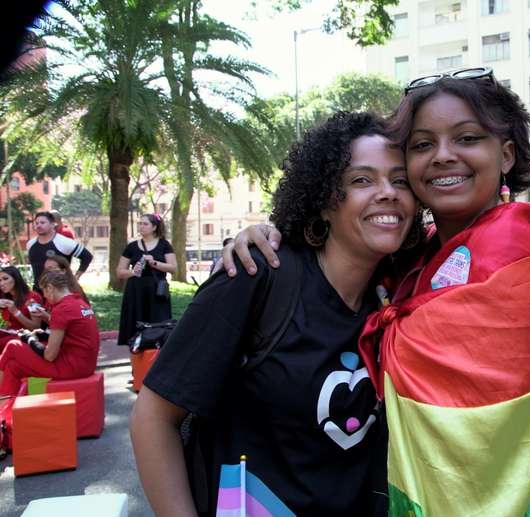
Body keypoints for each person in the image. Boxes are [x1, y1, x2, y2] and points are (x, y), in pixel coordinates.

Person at [226, 70, 530, 515]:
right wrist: (274, 233)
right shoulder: (423, 253)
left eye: (467, 138)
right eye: (421, 145)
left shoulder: (513, 258)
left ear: (507, 154)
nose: (443, 156)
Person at [130, 112, 417, 515]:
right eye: (361, 180)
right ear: (323, 200)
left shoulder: (401, 293)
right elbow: (153, 417)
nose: (387, 192)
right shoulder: (256, 274)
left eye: (400, 180)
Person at [0, 270, 99, 396]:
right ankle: (6, 407)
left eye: (44, 291)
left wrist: (30, 339)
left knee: (13, 346)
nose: (44, 296)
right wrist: (42, 331)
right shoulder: (80, 303)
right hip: (85, 364)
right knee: (13, 366)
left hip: (72, 366)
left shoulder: (61, 308)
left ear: (50, 288)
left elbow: (49, 355)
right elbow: (71, 332)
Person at [116, 214, 176, 348]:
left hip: (157, 292)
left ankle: (156, 360)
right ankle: (135, 364)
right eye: (140, 223)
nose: (141, 226)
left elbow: (173, 268)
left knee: (159, 326)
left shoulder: (164, 245)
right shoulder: (131, 247)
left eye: (145, 224)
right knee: (133, 328)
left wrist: (154, 262)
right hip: (135, 291)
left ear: (154, 227)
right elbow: (120, 272)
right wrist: (133, 272)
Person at [26, 211, 93, 289]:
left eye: (42, 222)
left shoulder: (64, 242)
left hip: (61, 291)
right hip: (38, 290)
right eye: (37, 223)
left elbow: (87, 256)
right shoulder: (30, 244)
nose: (39, 225)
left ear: (52, 224)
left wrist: (76, 277)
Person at [0, 266, 43, 351]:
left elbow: (36, 327)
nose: (1, 283)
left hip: (27, 336)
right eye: (0, 280)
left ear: (16, 279)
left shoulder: (32, 298)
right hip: (10, 332)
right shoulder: (5, 296)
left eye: (5, 279)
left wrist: (16, 312)